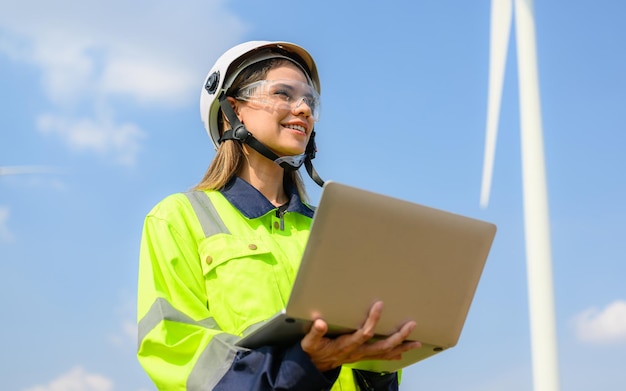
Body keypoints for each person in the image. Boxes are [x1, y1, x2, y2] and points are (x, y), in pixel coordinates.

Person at [137, 40, 421, 390]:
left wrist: (381, 361)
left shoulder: (338, 231)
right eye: (284, 94)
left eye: (309, 101)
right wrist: (301, 367)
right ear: (233, 109)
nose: (303, 109)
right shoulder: (178, 218)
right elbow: (175, 349)